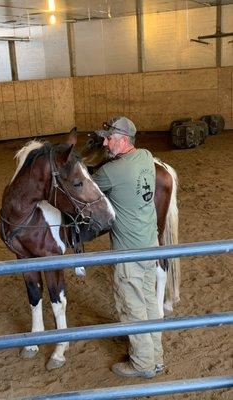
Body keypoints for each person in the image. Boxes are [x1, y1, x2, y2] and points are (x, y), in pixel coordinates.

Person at [92, 116, 164, 379]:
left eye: (108, 138)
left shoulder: (110, 172)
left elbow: (85, 190)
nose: (104, 142)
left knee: (132, 307)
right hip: (151, 245)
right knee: (149, 302)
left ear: (122, 141)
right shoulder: (146, 156)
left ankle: (142, 365)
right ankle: (156, 358)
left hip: (129, 251)